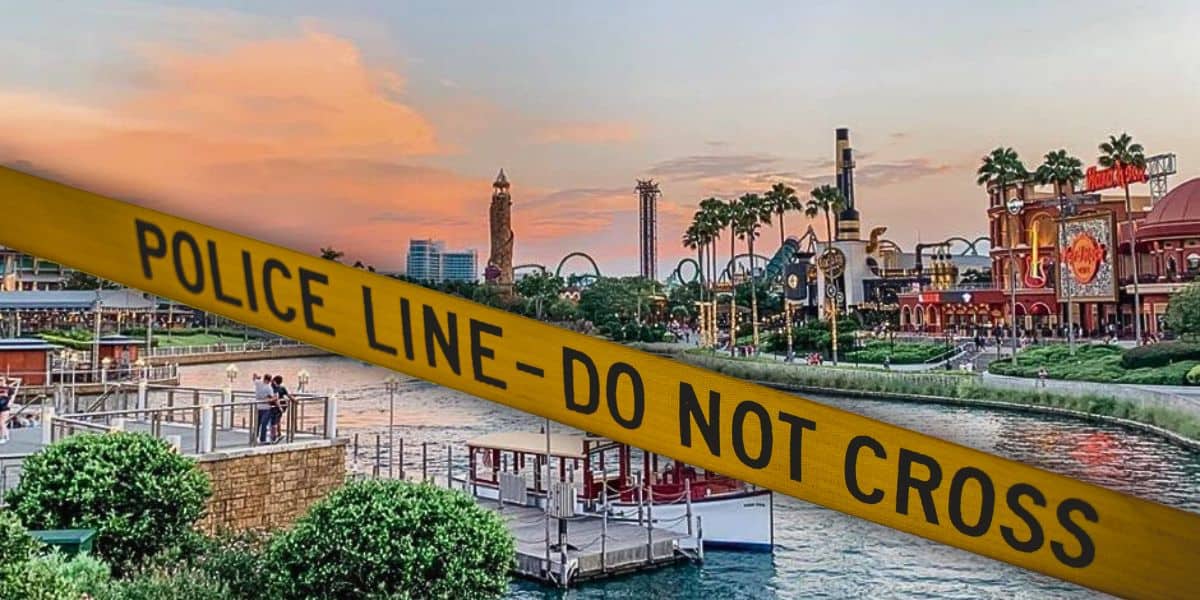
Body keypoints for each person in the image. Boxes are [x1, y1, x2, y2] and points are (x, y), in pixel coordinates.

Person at [270, 375, 295, 443]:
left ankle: (275, 436)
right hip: (282, 406)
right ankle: (278, 434)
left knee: (274, 422)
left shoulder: (273, 388)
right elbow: (289, 395)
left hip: (275, 406)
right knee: (277, 421)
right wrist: (294, 400)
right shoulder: (282, 388)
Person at [253, 373, 277, 444]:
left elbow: (254, 378)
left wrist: (257, 377)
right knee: (264, 424)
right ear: (270, 380)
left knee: (257, 423)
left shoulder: (258, 383)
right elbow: (272, 398)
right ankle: (262, 439)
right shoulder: (269, 388)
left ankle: (254, 437)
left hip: (258, 406)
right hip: (266, 407)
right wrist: (275, 398)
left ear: (264, 378)